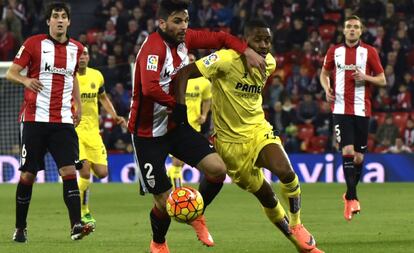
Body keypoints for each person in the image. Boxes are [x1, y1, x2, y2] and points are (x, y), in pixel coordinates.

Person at [174, 19, 324, 253]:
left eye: (268, 40)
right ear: (244, 41)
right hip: (229, 144)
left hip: (258, 130)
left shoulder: (270, 63)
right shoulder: (224, 60)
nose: (264, 45)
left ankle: (297, 225)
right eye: (258, 39)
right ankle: (300, 246)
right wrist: (179, 112)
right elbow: (184, 74)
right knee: (267, 197)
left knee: (286, 171)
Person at [127, 1, 266, 252]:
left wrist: (246, 50)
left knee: (217, 170)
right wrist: (176, 104)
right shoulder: (153, 49)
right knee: (164, 202)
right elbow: (149, 88)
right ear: (162, 23)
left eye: (186, 21)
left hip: (174, 126)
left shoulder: (185, 40)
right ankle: (158, 243)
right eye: (178, 21)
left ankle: (197, 214)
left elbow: (222, 38)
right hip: (147, 133)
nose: (184, 26)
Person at [5, 2, 93, 242]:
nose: (60, 20)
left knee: (68, 171)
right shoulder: (33, 43)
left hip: (63, 120)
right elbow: (12, 72)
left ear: (69, 22)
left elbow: (73, 76)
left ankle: (76, 225)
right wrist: (25, 81)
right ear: (48, 21)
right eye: (56, 16)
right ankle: (20, 227)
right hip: (34, 119)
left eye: (64, 16)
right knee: (28, 175)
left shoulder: (77, 48)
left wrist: (78, 104)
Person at [320, 15, 386, 221]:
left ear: (361, 31)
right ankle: (353, 198)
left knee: (359, 157)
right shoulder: (334, 51)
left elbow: (382, 79)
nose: (351, 30)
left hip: (361, 109)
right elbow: (323, 73)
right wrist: (326, 88)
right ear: (344, 30)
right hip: (339, 108)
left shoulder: (369, 52)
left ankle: (348, 194)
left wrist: (365, 77)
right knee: (347, 150)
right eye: (348, 26)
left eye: (356, 27)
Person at [75, 46, 127, 228]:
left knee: (102, 173)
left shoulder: (96, 75)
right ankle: (83, 212)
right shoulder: (68, 77)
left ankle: (77, 193)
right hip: (75, 131)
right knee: (85, 170)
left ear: (89, 57)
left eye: (85, 54)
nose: (82, 57)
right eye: (79, 54)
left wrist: (115, 116)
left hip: (93, 132)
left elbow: (103, 98)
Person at [167, 52, 212, 188]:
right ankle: (178, 193)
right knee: (178, 162)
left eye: (193, 60)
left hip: (194, 127)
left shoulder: (204, 82)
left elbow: (207, 99)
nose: (190, 62)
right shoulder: (175, 79)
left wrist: (204, 115)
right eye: (188, 60)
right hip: (177, 126)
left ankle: (173, 181)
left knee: (180, 163)